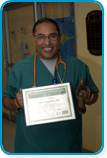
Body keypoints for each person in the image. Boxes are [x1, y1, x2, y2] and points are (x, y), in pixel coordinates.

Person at [3, 17, 99, 153]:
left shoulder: (77, 67)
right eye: (41, 37)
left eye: (52, 36)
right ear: (34, 38)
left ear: (59, 37)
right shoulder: (19, 69)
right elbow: (5, 101)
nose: (47, 42)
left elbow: (94, 95)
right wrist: (16, 103)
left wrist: (89, 96)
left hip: (69, 145)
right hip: (31, 146)